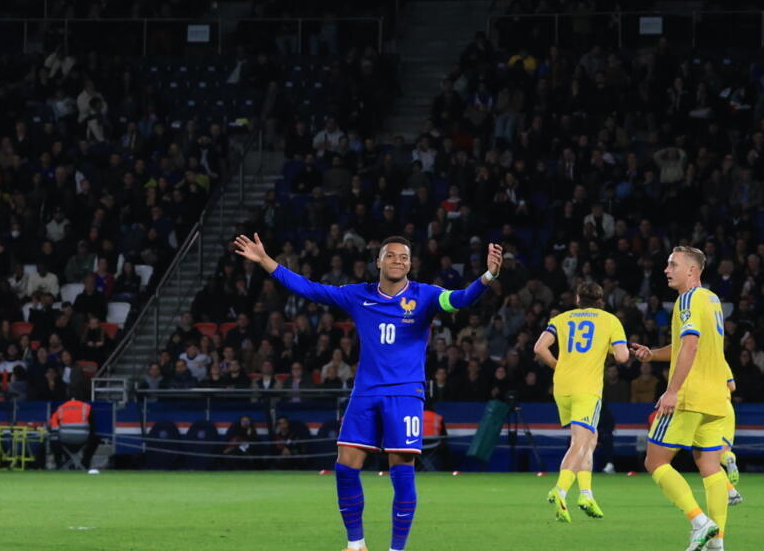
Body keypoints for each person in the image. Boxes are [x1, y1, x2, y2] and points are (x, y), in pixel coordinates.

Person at [234, 233, 501, 551]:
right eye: (391, 255)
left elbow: (458, 299)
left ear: (410, 263)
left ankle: (396, 549)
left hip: (404, 394)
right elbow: (311, 289)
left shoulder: (425, 296)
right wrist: (265, 261)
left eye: (404, 257)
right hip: (365, 393)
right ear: (378, 261)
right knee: (345, 467)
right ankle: (356, 544)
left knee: (401, 471)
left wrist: (487, 276)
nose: (398, 261)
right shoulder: (357, 295)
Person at [630, 246, 731, 551]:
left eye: (673, 264)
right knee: (711, 468)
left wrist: (671, 391)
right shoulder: (712, 300)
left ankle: (699, 522)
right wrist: (654, 354)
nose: (666, 269)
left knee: (655, 460)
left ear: (692, 270)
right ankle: (718, 544)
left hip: (689, 396)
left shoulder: (687, 299)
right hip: (717, 398)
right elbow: (684, 346)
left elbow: (690, 347)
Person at [533, 281, 629, 522]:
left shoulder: (561, 319)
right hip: (586, 389)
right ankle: (560, 489)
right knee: (580, 441)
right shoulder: (610, 321)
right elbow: (622, 356)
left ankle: (586, 494)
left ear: (577, 299)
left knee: (590, 438)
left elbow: (539, 348)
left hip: (562, 386)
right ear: (600, 300)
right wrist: (612, 347)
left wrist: (559, 366)